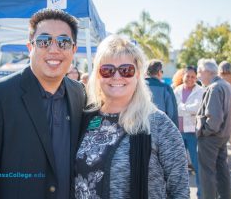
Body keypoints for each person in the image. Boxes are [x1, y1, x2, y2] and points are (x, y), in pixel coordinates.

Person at [0, 9, 86, 199]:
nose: (54, 49)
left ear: (74, 49)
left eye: (63, 42)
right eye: (44, 41)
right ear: (30, 47)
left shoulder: (79, 93)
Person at [74, 35, 189, 199]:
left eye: (126, 70)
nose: (116, 76)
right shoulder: (85, 119)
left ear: (138, 74)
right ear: (98, 75)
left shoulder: (158, 124)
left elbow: (179, 192)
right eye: (107, 70)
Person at [196, 58, 231, 199]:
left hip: (211, 138)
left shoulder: (214, 88)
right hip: (222, 136)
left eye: (200, 72)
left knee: (207, 175)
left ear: (208, 72)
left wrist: (204, 132)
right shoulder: (227, 86)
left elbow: (214, 119)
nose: (198, 75)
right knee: (222, 171)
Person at [174, 66, 205, 198]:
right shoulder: (176, 90)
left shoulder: (201, 91)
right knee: (179, 166)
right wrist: (186, 109)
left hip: (193, 132)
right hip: (178, 132)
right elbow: (174, 107)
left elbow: (197, 108)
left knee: (197, 165)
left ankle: (200, 194)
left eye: (193, 77)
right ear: (183, 76)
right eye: (188, 76)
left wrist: (182, 107)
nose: (190, 79)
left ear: (196, 78)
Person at [145, 59, 179, 127]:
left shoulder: (137, 87)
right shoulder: (166, 88)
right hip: (160, 129)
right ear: (159, 72)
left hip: (139, 129)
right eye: (162, 71)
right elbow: (172, 113)